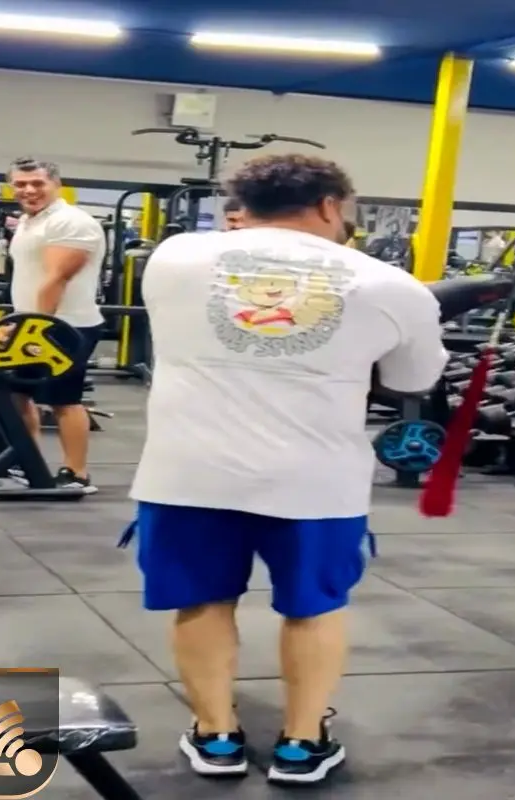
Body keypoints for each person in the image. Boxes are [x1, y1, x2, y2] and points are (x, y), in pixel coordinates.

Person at [126, 153, 449, 783]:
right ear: (330, 205)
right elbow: (413, 380)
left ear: (244, 205)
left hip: (188, 472)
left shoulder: (173, 257)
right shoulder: (390, 285)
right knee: (314, 608)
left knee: (200, 600)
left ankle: (216, 736)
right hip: (314, 482)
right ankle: (302, 744)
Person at [6, 157, 106, 493]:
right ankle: (28, 463)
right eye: (20, 184)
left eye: (37, 183)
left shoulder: (71, 222)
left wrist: (34, 325)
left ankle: (76, 473)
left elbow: (56, 278)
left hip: (65, 326)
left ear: (56, 184)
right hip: (33, 321)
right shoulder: (29, 221)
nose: (28, 190)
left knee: (64, 399)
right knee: (18, 395)